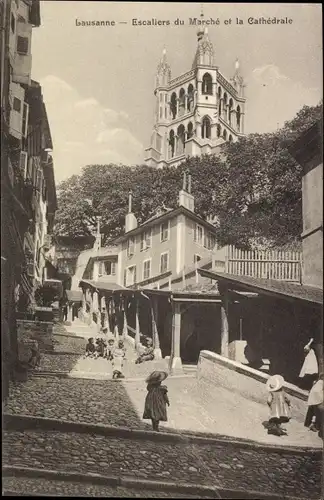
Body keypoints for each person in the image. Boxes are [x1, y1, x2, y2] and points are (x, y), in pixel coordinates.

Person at [304, 372, 323, 438]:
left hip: (314, 398)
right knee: (318, 413)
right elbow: (318, 392)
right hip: (317, 399)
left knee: (313, 412)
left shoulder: (318, 382)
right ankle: (314, 425)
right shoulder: (321, 383)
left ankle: (311, 424)